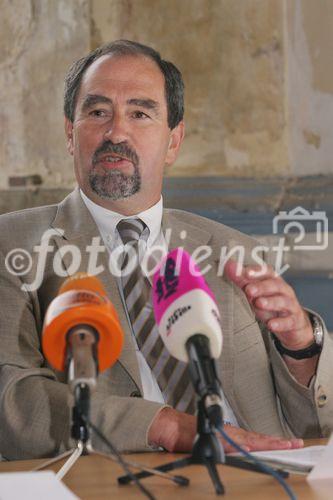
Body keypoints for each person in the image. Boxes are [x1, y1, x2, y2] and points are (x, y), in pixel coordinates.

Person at [0, 40, 331, 460]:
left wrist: (301, 348)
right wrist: (169, 426)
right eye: (98, 112)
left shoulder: (233, 250)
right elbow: (11, 403)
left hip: (260, 477)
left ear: (174, 140)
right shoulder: (12, 246)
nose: (116, 131)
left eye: (140, 113)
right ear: (70, 132)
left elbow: (316, 427)